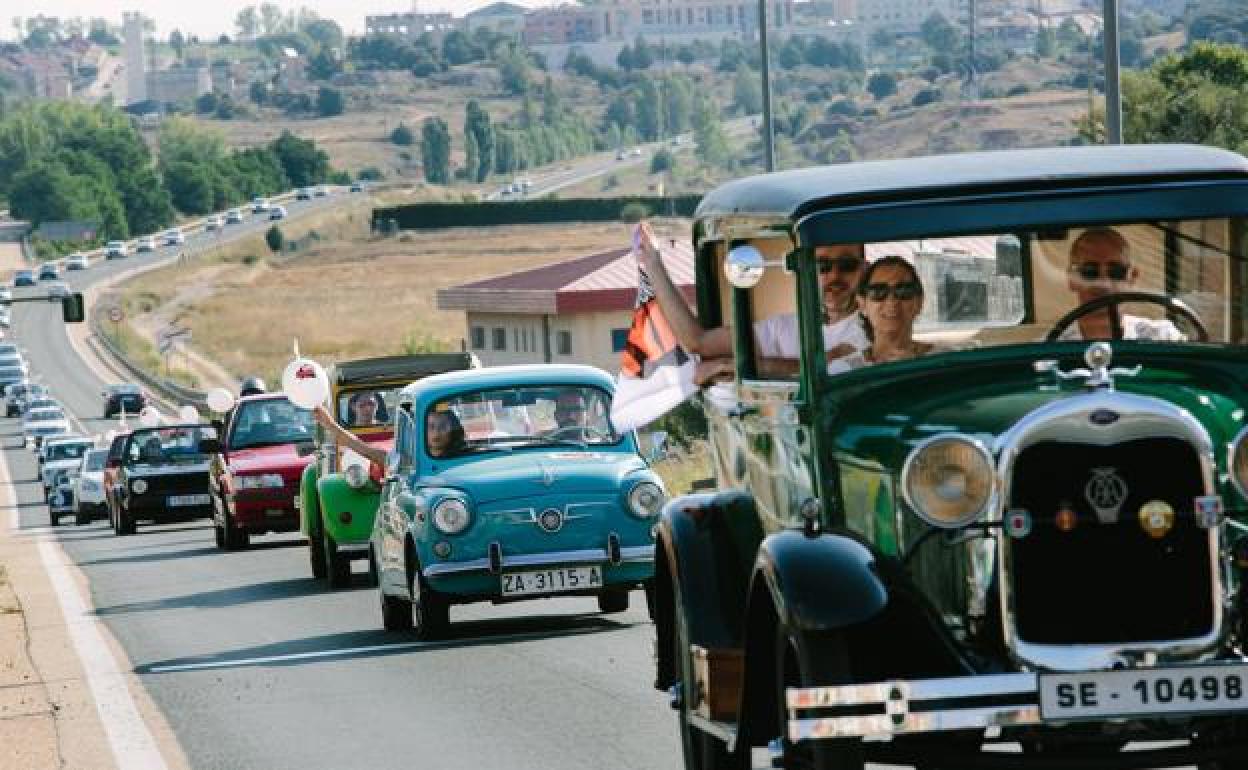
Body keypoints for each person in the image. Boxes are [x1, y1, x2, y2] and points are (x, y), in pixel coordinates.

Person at [635, 221, 868, 380]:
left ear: (864, 270)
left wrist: (734, 365)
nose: (834, 276)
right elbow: (699, 342)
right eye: (822, 266)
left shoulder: (873, 328)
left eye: (847, 266)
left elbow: (823, 371)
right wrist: (654, 264)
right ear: (807, 269)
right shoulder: (784, 327)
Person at [1061, 227, 1184, 341]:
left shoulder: (1162, 337)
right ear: (1072, 279)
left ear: (1132, 277)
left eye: (1116, 271)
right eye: (1090, 271)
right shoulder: (1050, 350)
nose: (1104, 282)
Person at [827, 256, 936, 374]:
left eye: (904, 291)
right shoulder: (844, 370)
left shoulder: (943, 359)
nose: (891, 301)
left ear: (919, 302)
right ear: (862, 304)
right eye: (878, 292)